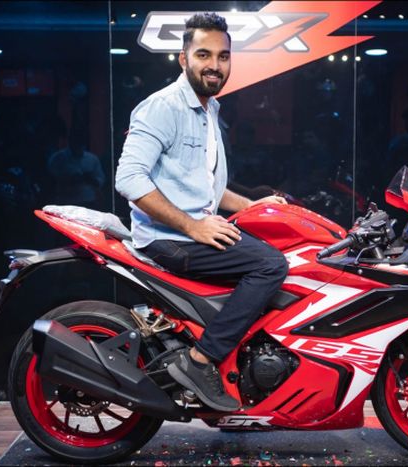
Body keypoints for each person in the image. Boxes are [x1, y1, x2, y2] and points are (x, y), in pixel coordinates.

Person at [115, 13, 289, 412]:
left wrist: (249, 206)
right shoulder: (163, 107)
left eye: (223, 56)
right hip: (169, 238)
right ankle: (201, 360)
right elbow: (129, 179)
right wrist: (193, 226)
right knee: (270, 265)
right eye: (204, 55)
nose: (215, 65)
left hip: (186, 232)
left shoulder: (208, 108)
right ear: (183, 59)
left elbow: (200, 184)